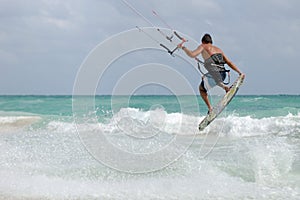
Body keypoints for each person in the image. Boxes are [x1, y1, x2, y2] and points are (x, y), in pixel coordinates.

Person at [178, 33, 245, 114]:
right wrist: (239, 72)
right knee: (207, 78)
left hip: (215, 75)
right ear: (211, 42)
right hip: (223, 75)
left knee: (202, 89)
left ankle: (210, 108)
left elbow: (192, 54)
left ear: (203, 42)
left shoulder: (203, 46)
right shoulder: (219, 50)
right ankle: (225, 87)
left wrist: (183, 47)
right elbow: (229, 62)